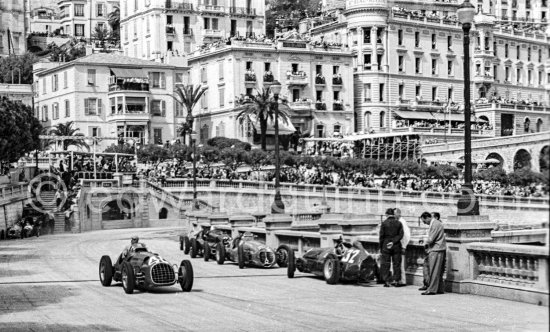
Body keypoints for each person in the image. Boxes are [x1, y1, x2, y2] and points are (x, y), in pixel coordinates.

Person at [419, 211, 447, 295]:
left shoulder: (435, 224)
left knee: (434, 270)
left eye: (424, 221)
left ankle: (431, 289)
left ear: (427, 218)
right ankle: (439, 288)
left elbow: (431, 239)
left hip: (436, 249)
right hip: (440, 249)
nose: (425, 223)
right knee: (439, 271)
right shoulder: (437, 223)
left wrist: (424, 242)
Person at [379, 208, 404, 287]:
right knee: (396, 263)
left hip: (385, 245)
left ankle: (387, 281)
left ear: (386, 214)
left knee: (386, 264)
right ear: (393, 214)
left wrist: (381, 247)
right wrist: (393, 241)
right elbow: (401, 235)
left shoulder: (384, 223)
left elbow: (381, 236)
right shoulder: (399, 223)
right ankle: (396, 280)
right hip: (396, 245)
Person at [395, 208, 410, 286]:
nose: (394, 215)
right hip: (398, 246)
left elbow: (406, 235)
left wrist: (404, 246)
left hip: (401, 246)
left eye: (395, 214)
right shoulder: (399, 221)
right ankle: (399, 280)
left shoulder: (402, 222)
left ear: (399, 214)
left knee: (400, 264)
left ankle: (402, 280)